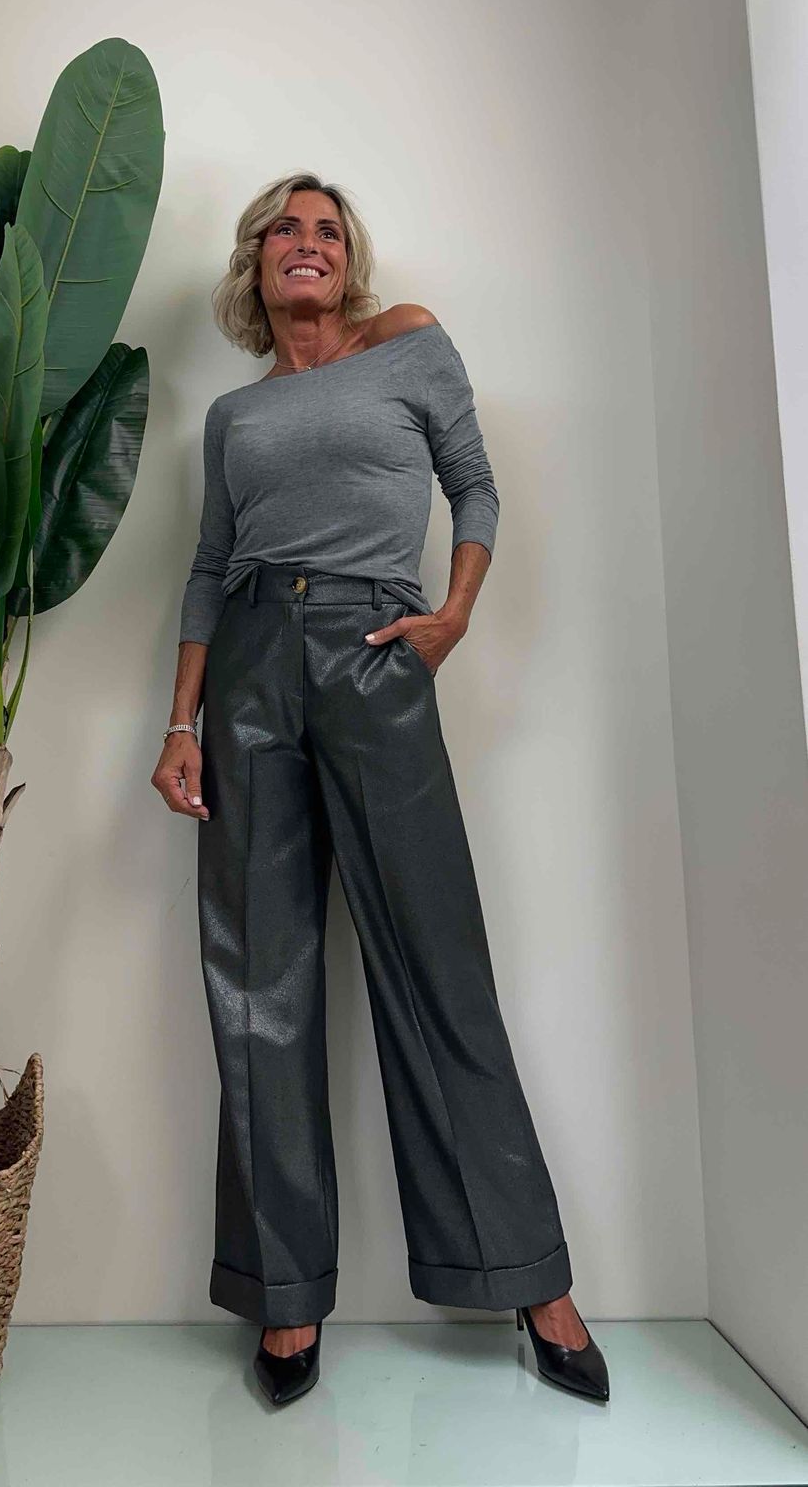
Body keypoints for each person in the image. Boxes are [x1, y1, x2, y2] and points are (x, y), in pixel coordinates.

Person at [152, 172, 609, 1408]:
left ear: (345, 261)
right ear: (255, 262)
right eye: (285, 229)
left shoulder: (405, 341)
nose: (306, 242)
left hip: (372, 648)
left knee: (434, 965)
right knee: (258, 982)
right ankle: (285, 1297)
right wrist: (182, 721)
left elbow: (474, 482)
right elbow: (207, 566)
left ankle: (529, 1279)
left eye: (327, 229)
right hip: (249, 665)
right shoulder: (235, 417)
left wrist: (452, 613)